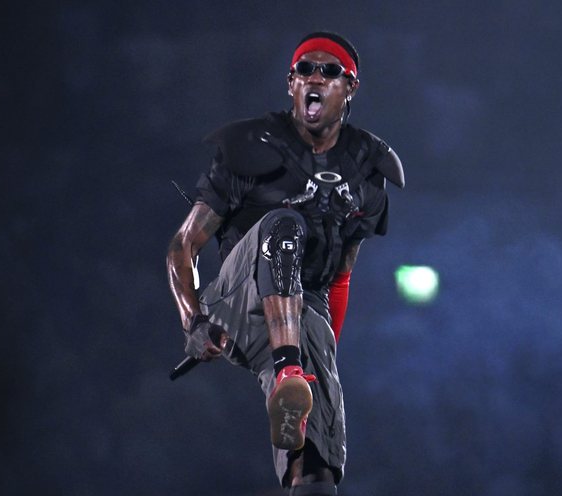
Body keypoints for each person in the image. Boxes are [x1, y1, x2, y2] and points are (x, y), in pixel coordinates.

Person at [166, 31, 404, 496]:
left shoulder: (366, 169)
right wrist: (192, 320)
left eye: (329, 71)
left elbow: (341, 277)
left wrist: (326, 351)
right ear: (291, 83)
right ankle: (289, 370)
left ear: (350, 87)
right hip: (237, 301)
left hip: (302, 310)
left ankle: (295, 388)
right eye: (305, 69)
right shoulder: (251, 146)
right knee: (283, 225)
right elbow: (183, 244)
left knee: (318, 466)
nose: (315, 77)